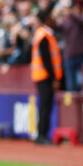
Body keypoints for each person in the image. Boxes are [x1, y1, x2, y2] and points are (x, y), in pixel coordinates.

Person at [31, 8, 62, 145]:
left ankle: (42, 134)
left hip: (42, 75)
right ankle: (42, 135)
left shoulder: (42, 34)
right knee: (45, 106)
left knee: (45, 105)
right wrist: (53, 77)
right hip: (45, 76)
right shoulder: (44, 35)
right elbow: (46, 59)